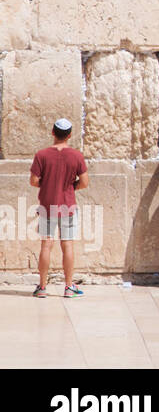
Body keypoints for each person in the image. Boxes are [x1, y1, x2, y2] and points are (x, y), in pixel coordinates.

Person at [29, 118, 88, 298]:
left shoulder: (41, 155)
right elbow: (84, 182)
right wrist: (71, 187)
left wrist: (47, 186)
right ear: (69, 135)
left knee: (46, 245)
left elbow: (33, 181)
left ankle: (42, 287)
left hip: (47, 205)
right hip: (67, 206)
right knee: (67, 244)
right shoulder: (77, 156)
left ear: (53, 132)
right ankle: (69, 287)